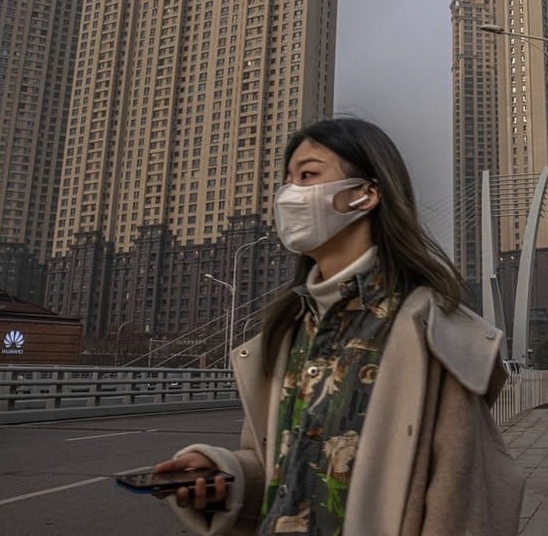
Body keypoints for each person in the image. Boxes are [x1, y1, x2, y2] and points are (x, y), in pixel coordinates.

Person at [155, 118, 525, 535]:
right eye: (288, 180)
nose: (289, 194)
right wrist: (223, 476)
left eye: (308, 175)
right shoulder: (288, 331)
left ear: (365, 194)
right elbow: (286, 469)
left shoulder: (430, 331)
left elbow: (462, 500)